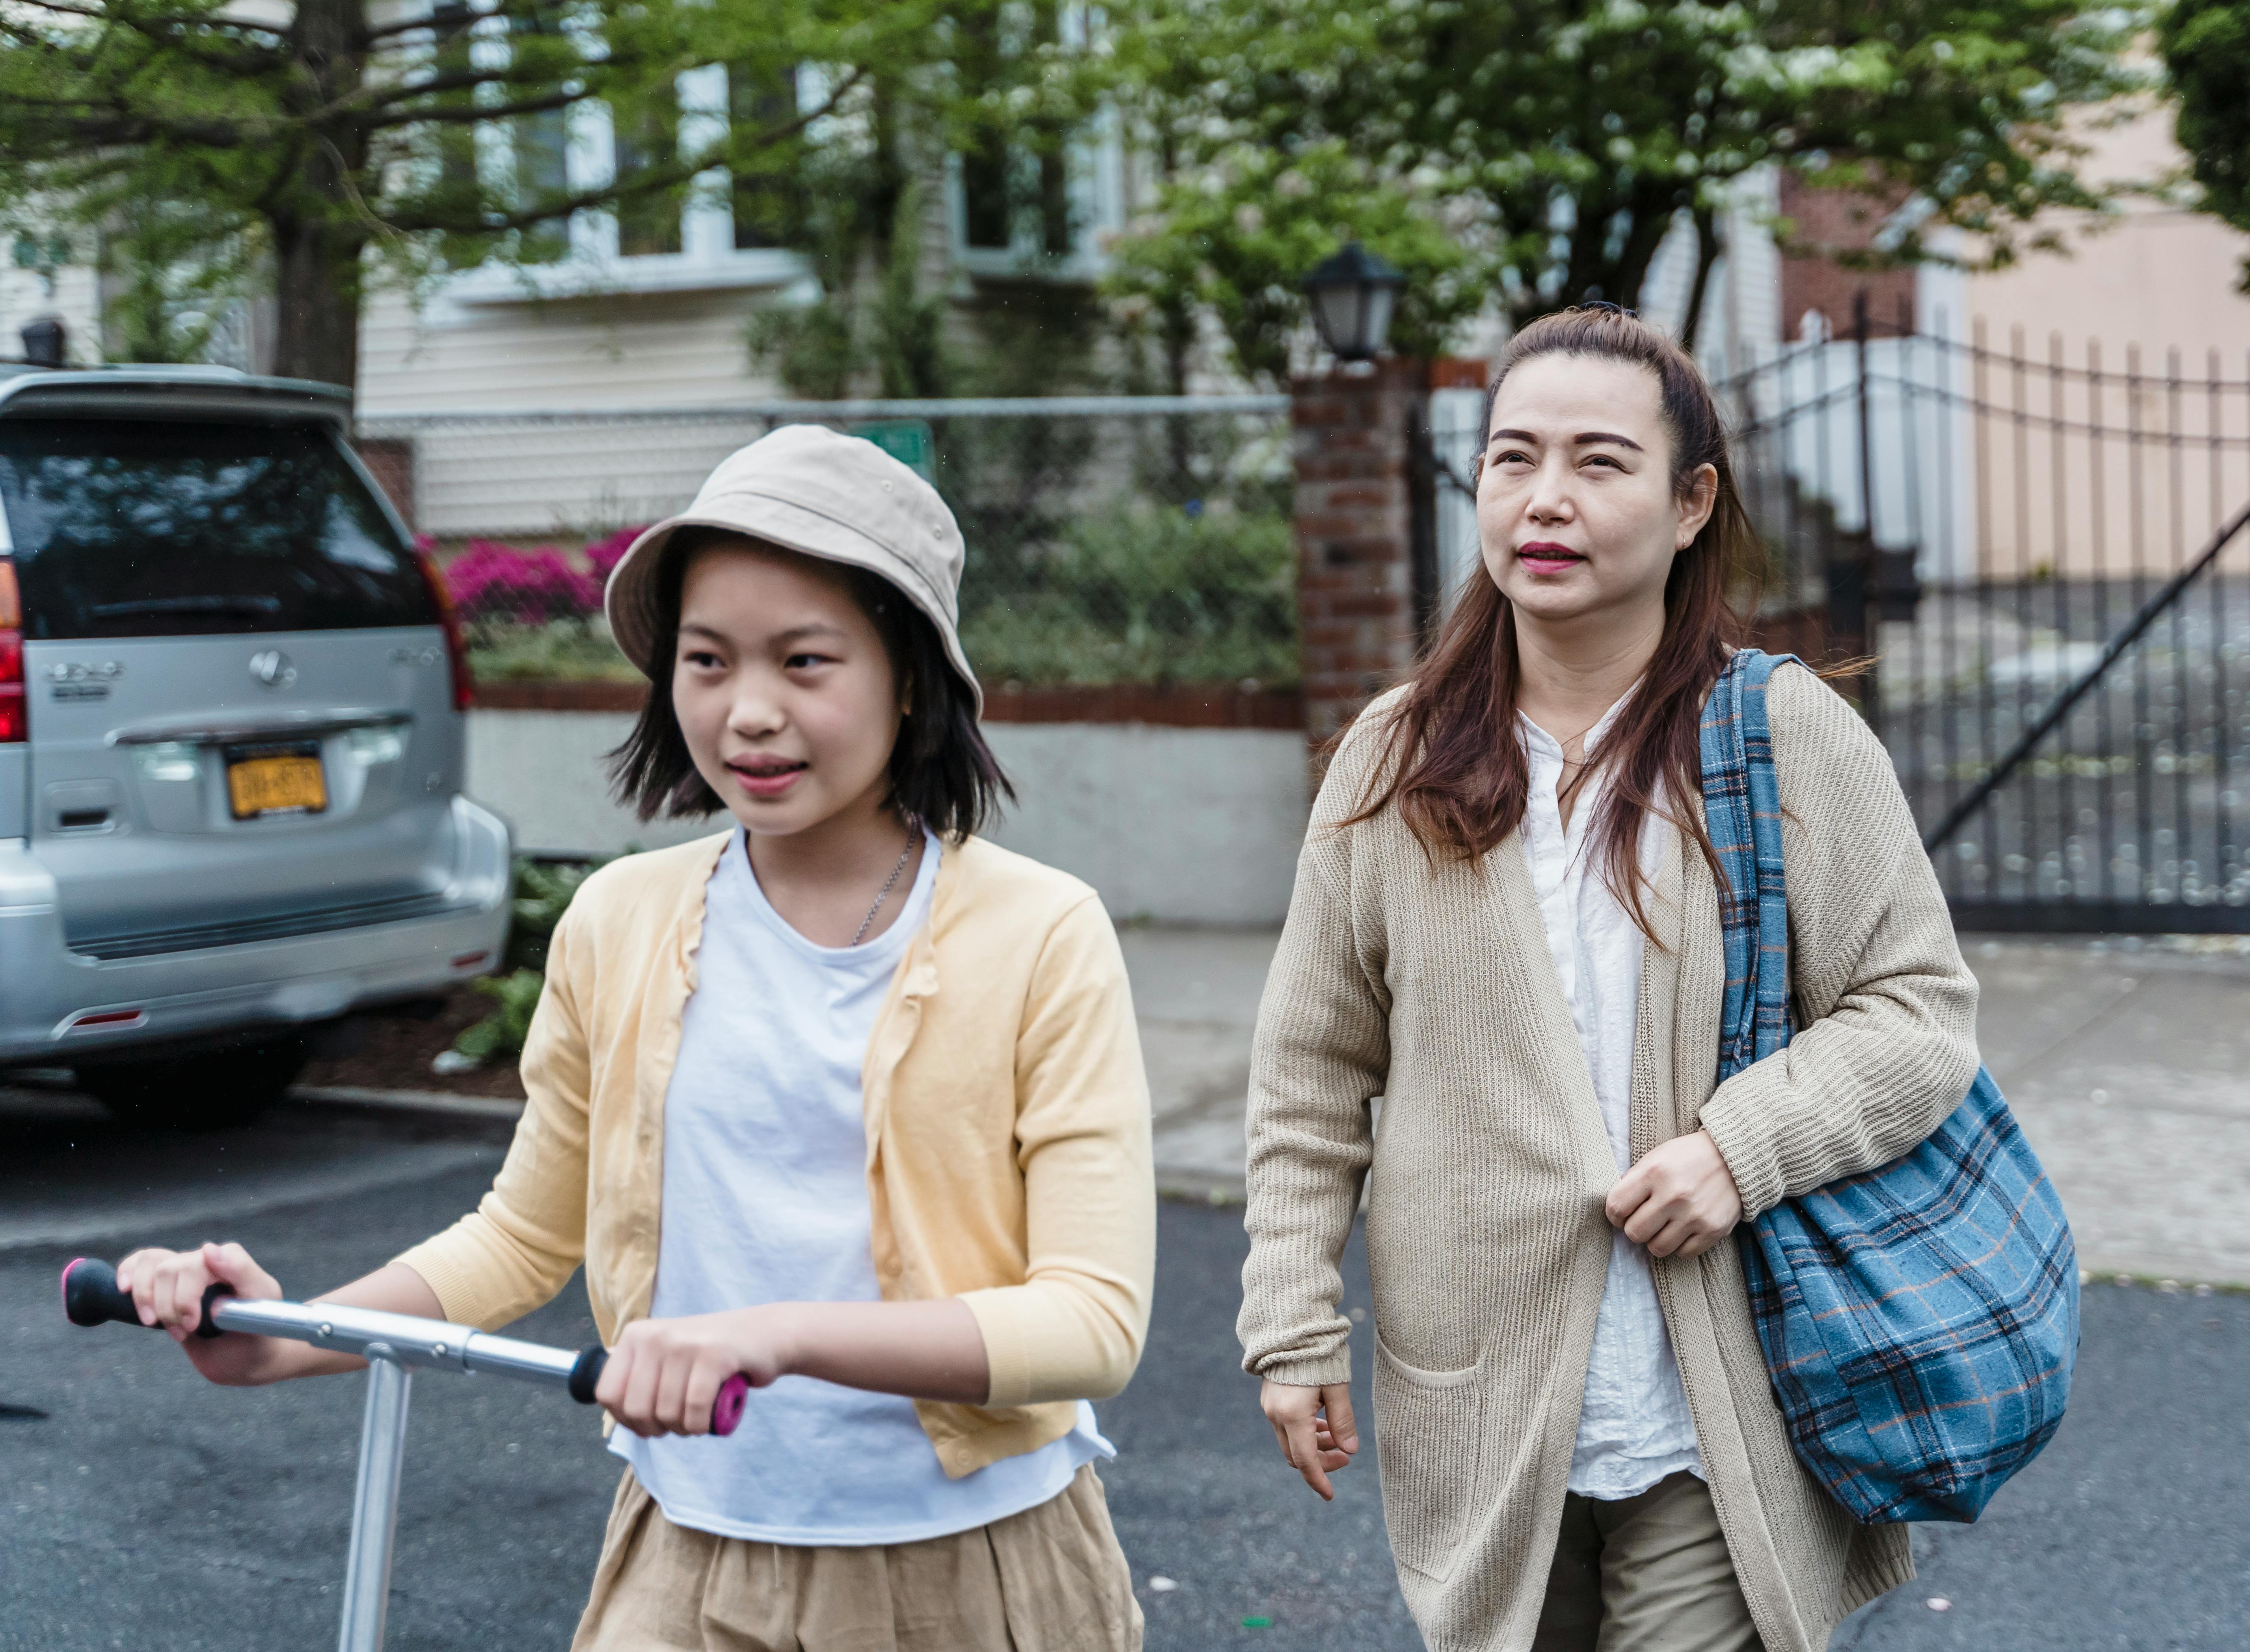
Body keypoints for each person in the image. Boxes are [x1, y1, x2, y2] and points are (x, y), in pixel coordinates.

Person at [111, 428, 1156, 1651]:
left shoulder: (1042, 932)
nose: (749, 712)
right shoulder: (619, 921)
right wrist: (279, 1339)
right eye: (706, 661)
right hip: (689, 1553)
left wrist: (774, 1335)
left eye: (806, 662)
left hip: (977, 1564)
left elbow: (1090, 1323)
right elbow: (522, 1236)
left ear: (911, 676)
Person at [1236, 306, 1980, 1652]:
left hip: (1723, 1390)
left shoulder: (1782, 738)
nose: (1547, 501)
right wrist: (1290, 1322)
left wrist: (1738, 1150)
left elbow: (1921, 1017)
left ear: (1692, 502)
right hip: (1479, 1391)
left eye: (1599, 463)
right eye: (1513, 460)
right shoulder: (1392, 760)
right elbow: (1312, 1069)